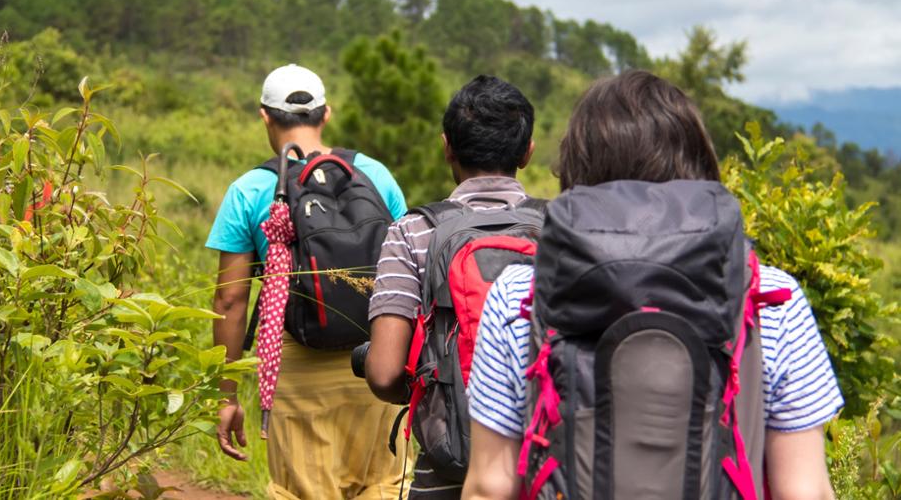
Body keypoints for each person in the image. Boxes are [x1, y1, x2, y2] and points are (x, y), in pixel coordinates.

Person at [461, 70, 842, 500]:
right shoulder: (770, 297)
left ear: (576, 168)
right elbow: (805, 491)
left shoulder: (521, 294)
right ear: (699, 166)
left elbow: (490, 487)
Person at [207, 64, 409, 499]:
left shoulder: (250, 190)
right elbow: (404, 272)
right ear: (326, 114)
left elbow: (230, 300)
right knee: (382, 485)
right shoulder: (375, 175)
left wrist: (226, 395)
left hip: (295, 364)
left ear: (265, 115)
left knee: (303, 490)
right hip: (376, 358)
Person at [365, 75, 538, 499]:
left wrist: (433, 383)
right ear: (527, 152)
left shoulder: (413, 231)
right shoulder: (565, 231)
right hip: (544, 464)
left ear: (447, 147)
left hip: (447, 464)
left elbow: (385, 373)